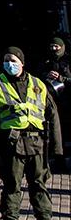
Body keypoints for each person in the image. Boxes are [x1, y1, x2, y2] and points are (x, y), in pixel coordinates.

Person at [0, 47, 62, 220]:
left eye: (13, 60)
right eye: (6, 61)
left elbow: (53, 114)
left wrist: (57, 148)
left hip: (36, 143)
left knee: (39, 184)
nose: (9, 64)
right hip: (12, 144)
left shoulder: (38, 84)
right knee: (12, 185)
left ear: (22, 63)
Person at [39, 36, 71, 165]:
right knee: (54, 129)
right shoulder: (46, 61)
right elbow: (36, 77)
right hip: (51, 100)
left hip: (67, 99)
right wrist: (46, 75)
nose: (54, 49)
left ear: (62, 47)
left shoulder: (68, 61)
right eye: (52, 46)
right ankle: (58, 158)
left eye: (56, 47)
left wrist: (61, 78)